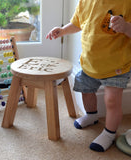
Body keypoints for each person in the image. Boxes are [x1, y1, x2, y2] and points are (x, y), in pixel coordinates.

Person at [46, 0, 131, 152]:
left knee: (112, 100)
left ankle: (110, 133)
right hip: (89, 62)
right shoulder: (86, 2)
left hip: (116, 66)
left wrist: (126, 27)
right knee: (86, 90)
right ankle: (91, 115)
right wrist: (63, 30)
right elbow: (77, 23)